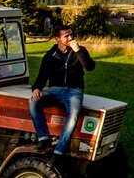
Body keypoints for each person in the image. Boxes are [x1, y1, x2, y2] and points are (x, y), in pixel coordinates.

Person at [30, 24, 96, 162]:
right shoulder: (50, 55)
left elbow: (90, 67)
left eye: (71, 34)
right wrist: (36, 88)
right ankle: (43, 138)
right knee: (33, 101)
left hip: (74, 91)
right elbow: (42, 76)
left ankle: (59, 151)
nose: (71, 38)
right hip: (54, 90)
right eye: (66, 36)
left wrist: (78, 51)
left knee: (73, 115)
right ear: (57, 39)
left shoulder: (80, 51)